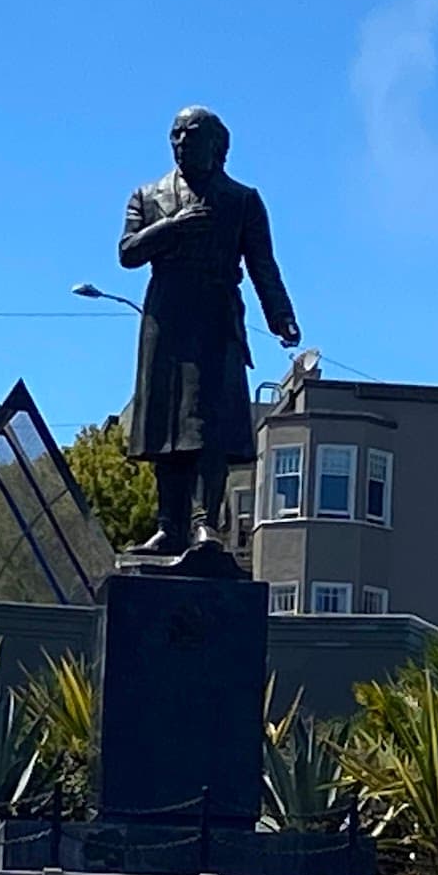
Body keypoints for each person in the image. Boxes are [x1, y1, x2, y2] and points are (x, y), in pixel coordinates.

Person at [117, 105, 300, 557]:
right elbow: (127, 253)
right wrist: (171, 228)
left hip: (216, 314)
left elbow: (263, 266)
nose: (181, 143)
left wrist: (281, 316)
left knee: (208, 424)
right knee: (166, 425)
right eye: (175, 135)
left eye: (191, 135)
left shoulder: (241, 200)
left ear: (217, 146)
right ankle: (168, 527)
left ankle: (205, 524)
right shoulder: (148, 195)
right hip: (166, 316)